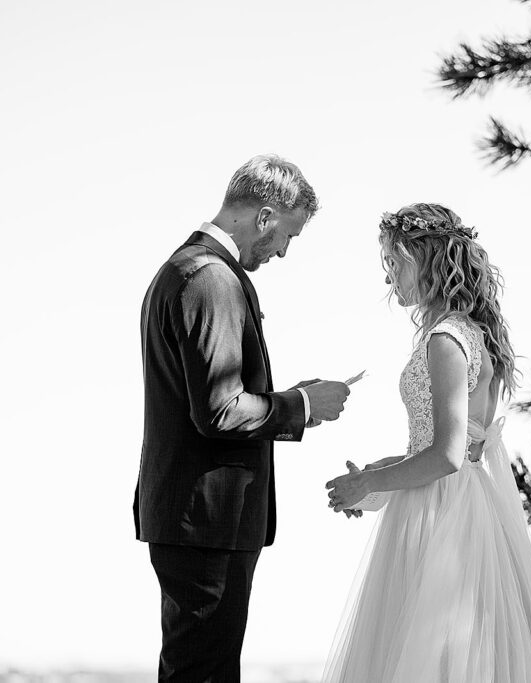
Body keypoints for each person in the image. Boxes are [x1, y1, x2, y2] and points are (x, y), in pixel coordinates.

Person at [323, 203, 531, 682]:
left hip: (440, 519)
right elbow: (451, 449)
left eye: (396, 263)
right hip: (463, 505)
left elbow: (447, 455)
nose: (390, 279)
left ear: (425, 259)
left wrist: (370, 480)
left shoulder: (445, 339)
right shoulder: (473, 334)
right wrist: (372, 484)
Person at [134, 154, 351, 682]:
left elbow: (213, 398)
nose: (282, 252)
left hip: (194, 520)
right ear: (265, 216)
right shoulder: (211, 279)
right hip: (207, 522)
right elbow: (220, 411)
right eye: (287, 237)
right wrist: (302, 406)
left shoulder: (186, 269)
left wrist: (290, 396)